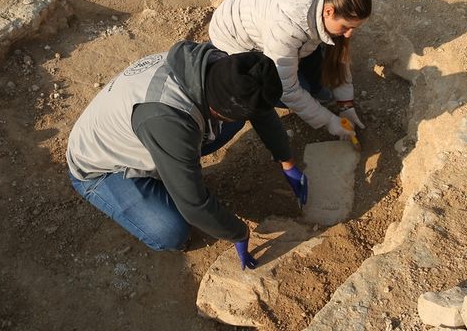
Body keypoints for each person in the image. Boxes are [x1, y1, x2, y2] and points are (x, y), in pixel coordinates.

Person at [66, 40, 308, 270]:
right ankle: (156, 183)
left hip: (147, 134)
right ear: (218, 109)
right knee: (171, 232)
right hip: (102, 168)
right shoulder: (170, 120)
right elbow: (194, 205)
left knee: (234, 121)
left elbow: (259, 109)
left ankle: (174, 170)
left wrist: (286, 160)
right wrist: (239, 232)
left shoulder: (217, 66)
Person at [208, 0, 372, 141]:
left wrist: (346, 104)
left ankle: (316, 90)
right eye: (346, 27)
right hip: (233, 40)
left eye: (354, 28)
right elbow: (287, 88)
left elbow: (338, 54)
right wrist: (329, 120)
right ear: (329, 12)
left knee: (316, 81)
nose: (348, 34)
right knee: (291, 92)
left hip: (269, 28)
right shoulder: (286, 28)